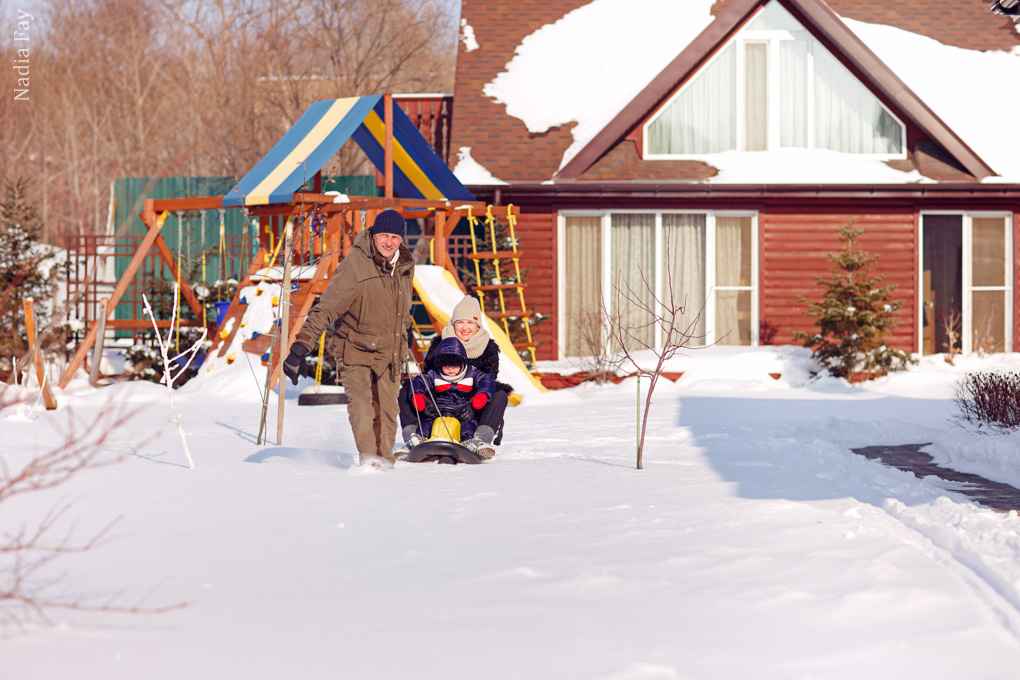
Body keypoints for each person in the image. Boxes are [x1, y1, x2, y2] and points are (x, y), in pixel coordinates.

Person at [282, 209, 414, 469]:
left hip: (390, 350)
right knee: (363, 407)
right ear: (374, 235)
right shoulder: (354, 265)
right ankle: (369, 461)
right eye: (384, 235)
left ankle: (384, 462)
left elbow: (401, 306)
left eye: (395, 237)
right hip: (355, 348)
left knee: (388, 410)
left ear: (401, 239)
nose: (389, 242)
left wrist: (405, 329)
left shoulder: (406, 265)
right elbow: (326, 308)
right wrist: (300, 347)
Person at [398, 295, 513, 459]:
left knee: (500, 394)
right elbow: (429, 377)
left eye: (470, 322)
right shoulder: (440, 343)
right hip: (439, 404)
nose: (465, 327)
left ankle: (480, 439)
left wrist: (472, 404)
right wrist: (428, 402)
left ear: (477, 326)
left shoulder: (488, 348)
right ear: (453, 324)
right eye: (460, 322)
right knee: (407, 391)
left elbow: (487, 381)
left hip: (472, 406)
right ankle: (414, 437)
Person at [407, 337, 495, 450]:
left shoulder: (471, 373)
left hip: (463, 410)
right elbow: (419, 381)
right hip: (439, 410)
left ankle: (468, 442)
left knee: (468, 425)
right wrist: (418, 395)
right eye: (446, 365)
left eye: (454, 365)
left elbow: (487, 380)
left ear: (462, 362)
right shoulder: (434, 374)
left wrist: (481, 396)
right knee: (427, 423)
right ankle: (419, 439)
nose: (450, 369)